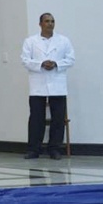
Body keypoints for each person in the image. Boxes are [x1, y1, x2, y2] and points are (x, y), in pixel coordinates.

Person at [21, 13, 75, 160]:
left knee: (58, 119)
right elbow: (25, 60)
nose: (50, 24)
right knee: (36, 119)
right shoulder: (30, 41)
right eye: (47, 21)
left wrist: (56, 64)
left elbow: (71, 59)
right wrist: (41, 64)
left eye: (52, 21)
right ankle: (33, 149)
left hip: (57, 84)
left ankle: (55, 149)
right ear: (40, 24)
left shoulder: (63, 41)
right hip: (38, 84)